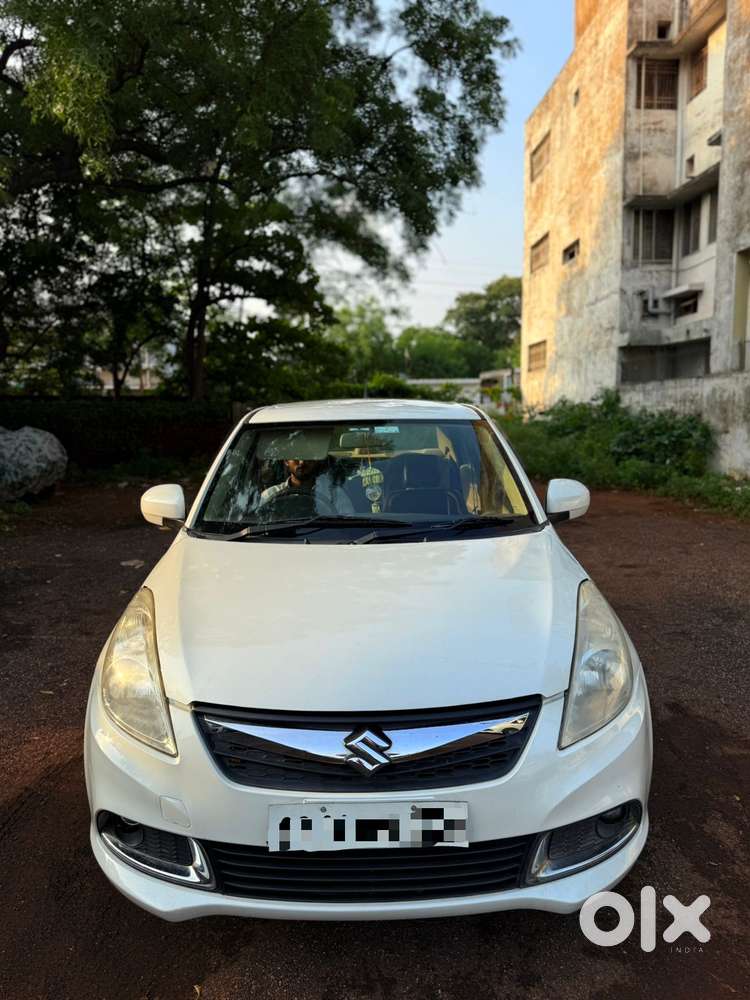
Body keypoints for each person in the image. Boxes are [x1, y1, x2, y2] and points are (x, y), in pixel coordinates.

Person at [258, 458, 354, 514]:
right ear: (286, 461)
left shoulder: (334, 494)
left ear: (315, 461)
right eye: (296, 457)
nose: (302, 462)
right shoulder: (270, 495)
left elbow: (348, 523)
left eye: (307, 457)